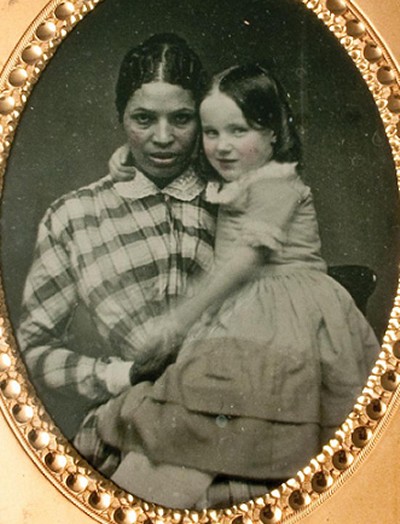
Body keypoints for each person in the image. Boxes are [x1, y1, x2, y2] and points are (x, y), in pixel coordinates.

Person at [90, 64, 380, 508]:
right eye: (211, 133)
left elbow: (243, 261)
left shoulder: (279, 185)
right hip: (243, 309)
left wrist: (178, 319)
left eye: (238, 130)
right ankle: (146, 493)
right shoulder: (238, 177)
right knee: (192, 410)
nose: (221, 147)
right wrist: (127, 157)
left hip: (286, 314)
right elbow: (187, 166)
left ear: (273, 133)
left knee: (222, 408)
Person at [17, 33, 216, 444]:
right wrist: (117, 374)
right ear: (121, 117)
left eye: (181, 118)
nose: (163, 137)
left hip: (234, 422)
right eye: (143, 119)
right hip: (131, 429)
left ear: (202, 118)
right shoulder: (74, 216)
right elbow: (30, 352)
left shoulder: (232, 198)